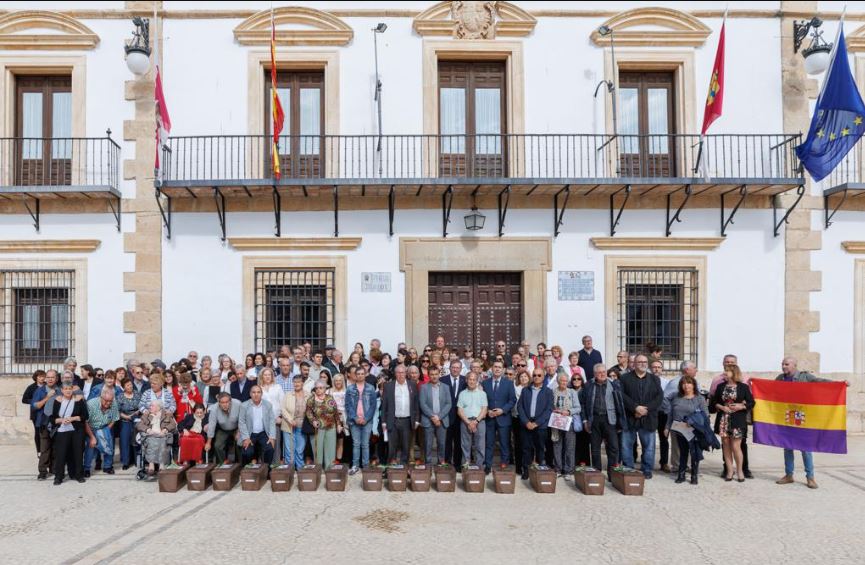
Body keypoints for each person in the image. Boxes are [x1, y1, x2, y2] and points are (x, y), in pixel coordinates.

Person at [773, 357, 848, 489]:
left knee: (805, 448)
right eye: (782, 364)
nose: (784, 366)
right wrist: (754, 383)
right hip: (787, 415)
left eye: (786, 364)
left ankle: (810, 477)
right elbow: (771, 391)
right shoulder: (780, 378)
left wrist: (838, 383)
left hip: (802, 416)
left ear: (795, 365)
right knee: (787, 447)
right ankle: (789, 475)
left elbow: (820, 382)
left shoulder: (804, 376)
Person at [620, 354, 663, 479]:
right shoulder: (625, 378)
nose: (643, 364)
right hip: (630, 417)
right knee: (626, 446)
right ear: (634, 363)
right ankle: (628, 469)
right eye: (639, 362)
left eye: (645, 362)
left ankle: (647, 469)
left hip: (648, 418)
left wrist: (645, 409)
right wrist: (635, 407)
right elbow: (621, 396)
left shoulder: (655, 379)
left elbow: (659, 397)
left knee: (649, 447)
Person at [710, 354, 753, 479]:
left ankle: (740, 471)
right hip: (724, 419)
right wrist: (721, 407)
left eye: (728, 371)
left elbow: (751, 402)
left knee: (736, 446)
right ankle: (729, 471)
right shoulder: (720, 385)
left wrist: (741, 406)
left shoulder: (743, 386)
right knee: (726, 445)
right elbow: (713, 401)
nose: (725, 373)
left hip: (738, 419)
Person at [580, 364, 625, 481]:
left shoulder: (614, 384)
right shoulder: (588, 385)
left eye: (604, 372)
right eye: (599, 372)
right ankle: (597, 473)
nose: (602, 374)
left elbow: (620, 403)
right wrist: (585, 420)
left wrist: (620, 422)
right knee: (595, 448)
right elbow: (583, 404)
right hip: (594, 419)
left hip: (610, 419)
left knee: (614, 448)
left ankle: (612, 474)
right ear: (595, 374)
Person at [666, 374, 709, 484]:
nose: (686, 386)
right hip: (679, 428)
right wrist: (667, 427)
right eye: (684, 383)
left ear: (693, 385)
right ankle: (681, 474)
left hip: (694, 429)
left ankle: (694, 475)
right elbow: (670, 414)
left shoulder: (699, 398)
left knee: (694, 452)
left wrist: (700, 425)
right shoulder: (676, 396)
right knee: (683, 452)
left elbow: (705, 414)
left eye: (689, 383)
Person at [516, 369, 553, 480]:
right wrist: (526, 422)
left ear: (543, 377)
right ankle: (526, 471)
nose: (536, 377)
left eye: (539, 375)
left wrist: (536, 423)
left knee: (540, 448)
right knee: (526, 449)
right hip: (526, 424)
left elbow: (548, 410)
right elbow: (520, 407)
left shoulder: (548, 392)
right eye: (534, 375)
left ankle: (539, 471)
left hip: (540, 425)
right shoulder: (525, 390)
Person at [662, 361, 696, 473]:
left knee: (692, 443)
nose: (696, 370)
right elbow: (665, 398)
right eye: (694, 368)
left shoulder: (694, 382)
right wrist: (670, 412)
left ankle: (690, 466)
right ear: (687, 370)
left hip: (692, 420)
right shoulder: (675, 382)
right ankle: (677, 467)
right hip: (678, 420)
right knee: (677, 446)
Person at [381, 364, 419, 465]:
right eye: (398, 372)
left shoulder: (413, 385)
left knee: (406, 446)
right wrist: (383, 421)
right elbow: (384, 405)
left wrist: (417, 420)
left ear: (406, 373)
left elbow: (416, 404)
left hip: (407, 420)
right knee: (392, 446)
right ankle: (391, 468)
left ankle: (403, 467)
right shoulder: (388, 386)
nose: (400, 375)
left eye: (402, 372)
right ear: (395, 374)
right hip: (392, 420)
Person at [481, 360, 516, 473]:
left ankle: (504, 464)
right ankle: (488, 465)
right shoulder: (485, 383)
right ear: (492, 368)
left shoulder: (509, 383)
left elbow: (512, 400)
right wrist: (487, 411)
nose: (497, 369)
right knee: (489, 443)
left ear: (503, 370)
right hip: (489, 418)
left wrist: (502, 410)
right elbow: (482, 400)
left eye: (499, 367)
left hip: (503, 418)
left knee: (504, 443)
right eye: (495, 367)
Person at [51, 381, 88, 485]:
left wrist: (73, 418)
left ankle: (78, 475)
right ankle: (59, 477)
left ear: (73, 389)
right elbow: (52, 418)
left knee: (78, 453)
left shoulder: (79, 400)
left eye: (69, 388)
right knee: (61, 454)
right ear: (62, 390)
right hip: (62, 430)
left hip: (77, 431)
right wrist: (61, 420)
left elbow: (85, 416)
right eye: (65, 389)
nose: (68, 391)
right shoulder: (57, 401)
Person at [345, 366, 377, 474]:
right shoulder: (350, 389)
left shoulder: (371, 388)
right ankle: (355, 466)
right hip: (354, 421)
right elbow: (348, 405)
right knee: (356, 444)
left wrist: (366, 418)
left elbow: (373, 406)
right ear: (355, 375)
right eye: (358, 374)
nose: (360, 376)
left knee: (365, 444)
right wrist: (355, 418)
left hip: (366, 421)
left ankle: (365, 466)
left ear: (365, 375)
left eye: (362, 374)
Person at [419, 366, 452, 466]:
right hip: (428, 420)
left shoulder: (445, 387)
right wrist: (433, 416)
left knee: (442, 443)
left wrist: (439, 417)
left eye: (436, 374)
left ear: (439, 375)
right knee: (428, 444)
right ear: (428, 375)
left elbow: (448, 404)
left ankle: (441, 462)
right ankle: (428, 463)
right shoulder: (424, 387)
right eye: (432, 374)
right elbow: (422, 404)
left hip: (442, 420)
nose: (434, 376)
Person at [550, 373, 581, 479]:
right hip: (556, 422)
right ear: (558, 381)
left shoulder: (572, 392)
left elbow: (578, 408)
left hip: (569, 422)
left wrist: (568, 411)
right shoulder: (553, 392)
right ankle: (558, 469)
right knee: (557, 446)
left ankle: (568, 471)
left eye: (565, 381)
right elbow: (549, 406)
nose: (563, 382)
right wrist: (553, 411)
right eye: (561, 380)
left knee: (570, 447)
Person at [136, 400, 177, 480]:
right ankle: (151, 465)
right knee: (151, 441)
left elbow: (173, 424)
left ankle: (162, 464)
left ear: (158, 407)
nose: (150, 407)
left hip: (162, 435)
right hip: (151, 435)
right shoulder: (146, 415)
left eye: (152, 406)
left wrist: (165, 430)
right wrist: (148, 430)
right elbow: (139, 425)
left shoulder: (166, 415)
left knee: (162, 441)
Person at [85, 386, 120, 477]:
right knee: (90, 446)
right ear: (101, 397)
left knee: (109, 446)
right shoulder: (91, 404)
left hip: (105, 426)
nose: (108, 403)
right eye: (106, 401)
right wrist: (92, 437)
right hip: (91, 428)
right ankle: (86, 468)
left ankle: (107, 466)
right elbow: (85, 422)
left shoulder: (114, 403)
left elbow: (115, 418)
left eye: (110, 401)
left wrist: (107, 430)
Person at [31, 370, 59, 480]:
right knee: (44, 449)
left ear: (57, 379)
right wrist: (47, 397)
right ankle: (42, 471)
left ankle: (54, 469)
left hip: (57, 423)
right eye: (48, 377)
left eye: (53, 377)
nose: (50, 379)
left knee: (56, 448)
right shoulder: (40, 391)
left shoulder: (60, 390)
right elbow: (35, 406)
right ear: (46, 379)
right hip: (43, 423)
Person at [239, 385, 277, 466]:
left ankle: (266, 470)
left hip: (263, 433)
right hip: (250, 433)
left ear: (261, 394)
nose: (256, 394)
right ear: (250, 394)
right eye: (253, 392)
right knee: (247, 452)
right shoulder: (244, 405)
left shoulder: (268, 405)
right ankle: (247, 471)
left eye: (258, 392)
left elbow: (272, 421)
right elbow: (241, 422)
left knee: (270, 449)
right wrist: (246, 438)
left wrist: (272, 437)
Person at [306, 380, 340, 469]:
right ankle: (318, 469)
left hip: (331, 426)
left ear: (325, 389)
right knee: (318, 451)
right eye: (316, 388)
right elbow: (308, 412)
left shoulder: (330, 398)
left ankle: (330, 469)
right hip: (318, 428)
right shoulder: (311, 399)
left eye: (321, 388)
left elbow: (335, 412)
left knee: (330, 449)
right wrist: (313, 421)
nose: (318, 390)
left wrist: (339, 424)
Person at [457, 372, 488, 467]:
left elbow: (484, 409)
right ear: (466, 380)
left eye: (474, 379)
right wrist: (468, 423)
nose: (472, 381)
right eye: (470, 379)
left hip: (480, 421)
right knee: (465, 445)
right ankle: (466, 465)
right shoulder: (462, 394)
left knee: (480, 445)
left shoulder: (482, 394)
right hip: (465, 421)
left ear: (477, 381)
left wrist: (475, 422)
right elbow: (460, 410)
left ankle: (479, 466)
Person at [280, 374, 309, 469]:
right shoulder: (287, 395)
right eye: (295, 382)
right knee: (289, 450)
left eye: (299, 382)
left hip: (303, 426)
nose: (296, 384)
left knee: (300, 449)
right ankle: (290, 469)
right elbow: (283, 409)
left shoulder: (308, 395)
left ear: (302, 383)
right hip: (289, 426)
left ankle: (300, 468)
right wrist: (290, 420)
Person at [442, 359, 466, 467]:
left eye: (457, 367)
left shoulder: (466, 380)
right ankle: (446, 462)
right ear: (450, 368)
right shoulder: (442, 380)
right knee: (447, 441)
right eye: (453, 367)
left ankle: (457, 464)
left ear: (461, 369)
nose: (455, 369)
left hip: (461, 417)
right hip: (446, 416)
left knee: (458, 442)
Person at [205, 393, 242, 464]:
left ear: (230, 401)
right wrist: (208, 443)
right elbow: (212, 426)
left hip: (237, 428)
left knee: (240, 441)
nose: (225, 404)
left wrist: (239, 432)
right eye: (222, 402)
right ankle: (222, 463)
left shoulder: (238, 404)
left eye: (227, 402)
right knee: (217, 445)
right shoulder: (214, 409)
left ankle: (240, 464)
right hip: (223, 429)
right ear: (218, 402)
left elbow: (242, 420)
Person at [650, 359, 672, 473]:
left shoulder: (667, 383)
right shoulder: (647, 381)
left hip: (663, 413)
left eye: (659, 367)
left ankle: (664, 463)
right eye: (654, 367)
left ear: (662, 369)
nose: (656, 369)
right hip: (650, 413)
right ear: (650, 368)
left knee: (664, 438)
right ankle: (648, 462)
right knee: (649, 438)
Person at [117, 377, 141, 470]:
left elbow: (143, 405)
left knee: (137, 440)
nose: (130, 386)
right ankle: (125, 462)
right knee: (125, 441)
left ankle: (137, 461)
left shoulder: (137, 394)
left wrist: (138, 412)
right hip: (125, 420)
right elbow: (118, 410)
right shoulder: (120, 396)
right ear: (123, 387)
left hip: (137, 419)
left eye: (131, 384)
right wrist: (126, 417)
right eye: (127, 385)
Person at [22, 370, 44, 457]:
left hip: (46, 413)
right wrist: (35, 401)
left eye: (43, 376)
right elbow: (24, 399)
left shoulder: (47, 386)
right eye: (39, 376)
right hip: (36, 413)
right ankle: (39, 450)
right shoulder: (31, 387)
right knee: (38, 432)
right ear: (36, 378)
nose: (42, 378)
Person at [570, 373, 591, 466]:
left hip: (583, 419)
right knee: (574, 443)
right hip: (572, 419)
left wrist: (585, 420)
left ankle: (584, 463)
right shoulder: (569, 391)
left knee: (584, 442)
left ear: (582, 380)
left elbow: (586, 406)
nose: (576, 380)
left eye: (578, 379)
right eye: (574, 379)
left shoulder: (585, 391)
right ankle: (576, 463)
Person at [330, 373, 348, 462]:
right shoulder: (329, 392)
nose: (338, 382)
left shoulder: (346, 391)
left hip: (343, 419)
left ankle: (338, 460)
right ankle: (331, 459)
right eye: (336, 380)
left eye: (340, 380)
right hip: (332, 419)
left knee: (341, 440)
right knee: (332, 441)